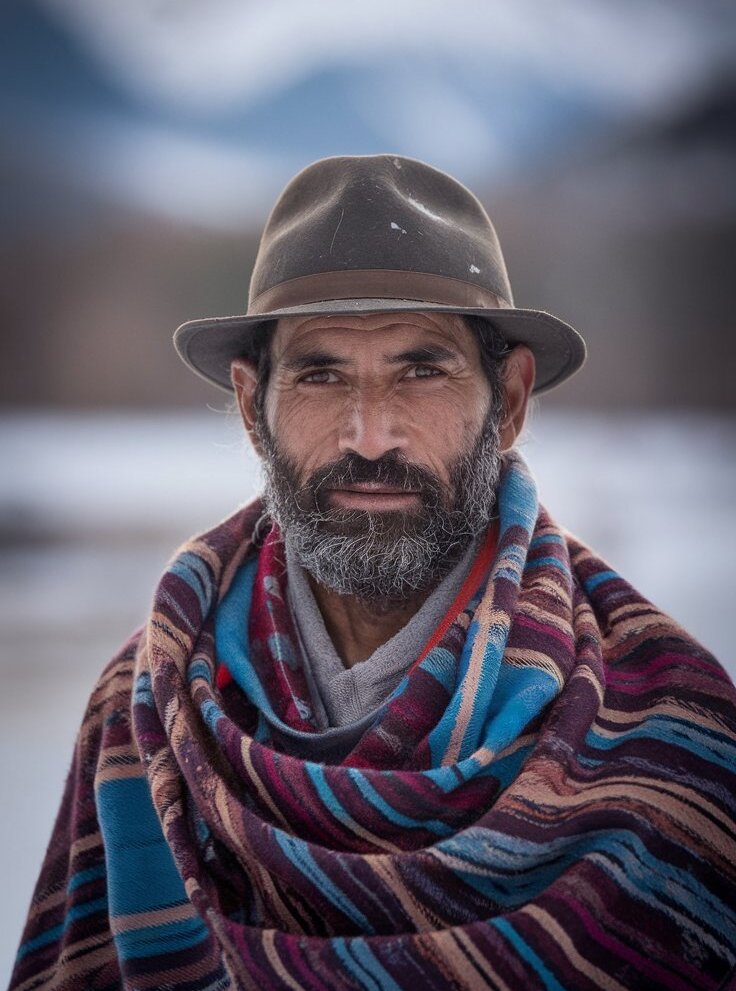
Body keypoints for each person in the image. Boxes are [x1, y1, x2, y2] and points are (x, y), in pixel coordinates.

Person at [11, 155, 736, 991]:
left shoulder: (666, 725)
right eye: (322, 374)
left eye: (420, 370)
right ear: (254, 409)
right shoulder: (143, 717)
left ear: (508, 403)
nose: (369, 435)